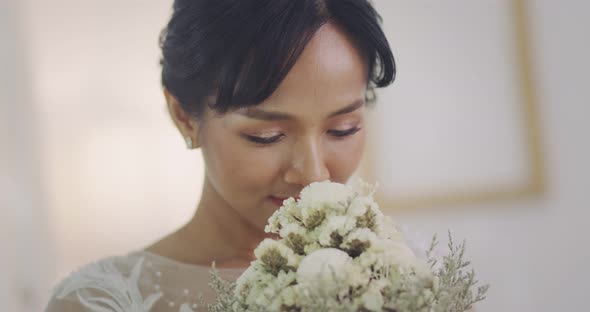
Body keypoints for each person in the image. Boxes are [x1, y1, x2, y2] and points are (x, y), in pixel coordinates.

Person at [45, 0, 395, 311]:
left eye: (343, 129)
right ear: (184, 116)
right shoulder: (99, 301)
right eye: (266, 136)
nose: (314, 174)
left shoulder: (396, 276)